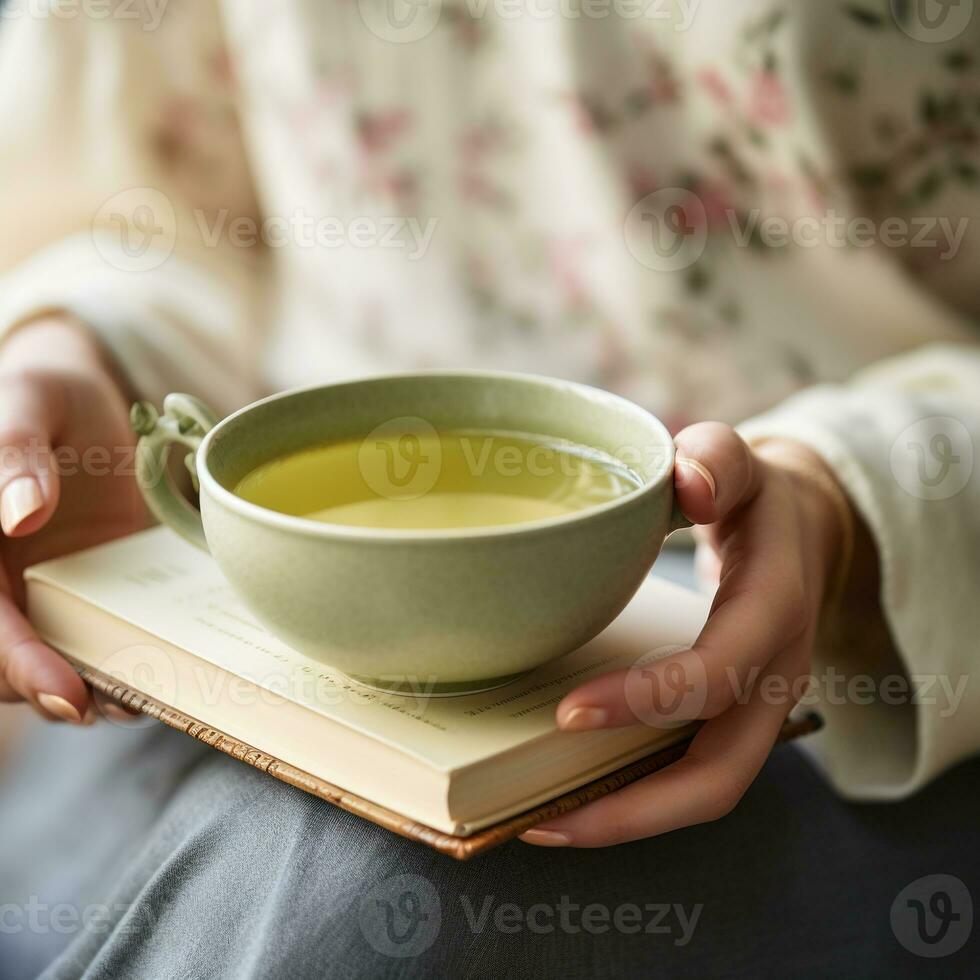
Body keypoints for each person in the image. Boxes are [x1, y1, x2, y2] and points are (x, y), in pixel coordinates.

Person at [0, 2, 978, 976]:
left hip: (875, 656)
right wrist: (79, 346)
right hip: (253, 618)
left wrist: (843, 494)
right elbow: (143, 197)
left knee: (357, 908)